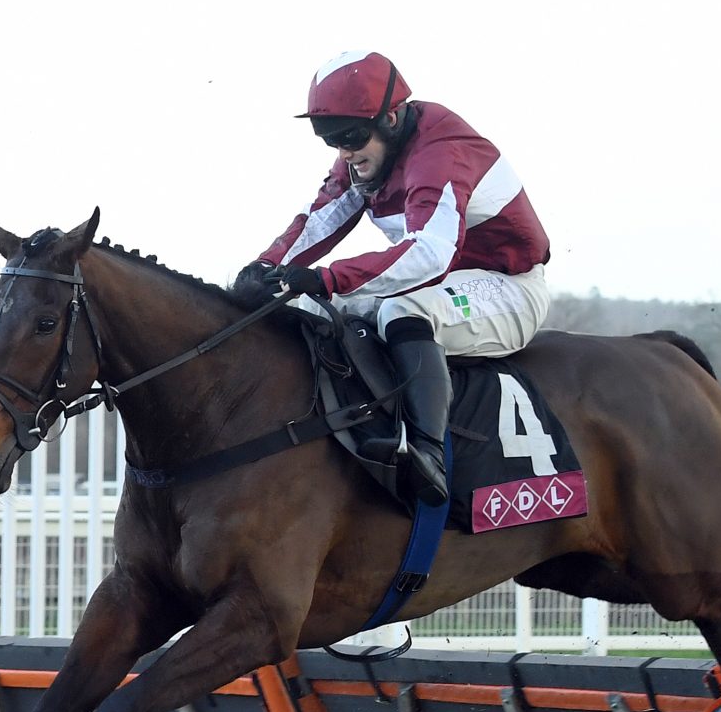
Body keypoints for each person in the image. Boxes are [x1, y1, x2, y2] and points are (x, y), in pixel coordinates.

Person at [231, 52, 552, 505]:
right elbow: (321, 219)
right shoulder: (366, 155)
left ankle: (427, 455)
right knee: (308, 310)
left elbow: (430, 255)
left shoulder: (441, 151)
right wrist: (265, 268)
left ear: (393, 118)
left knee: (401, 308)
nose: (344, 153)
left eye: (351, 137)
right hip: (441, 283)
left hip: (507, 289)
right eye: (331, 140)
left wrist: (326, 277)